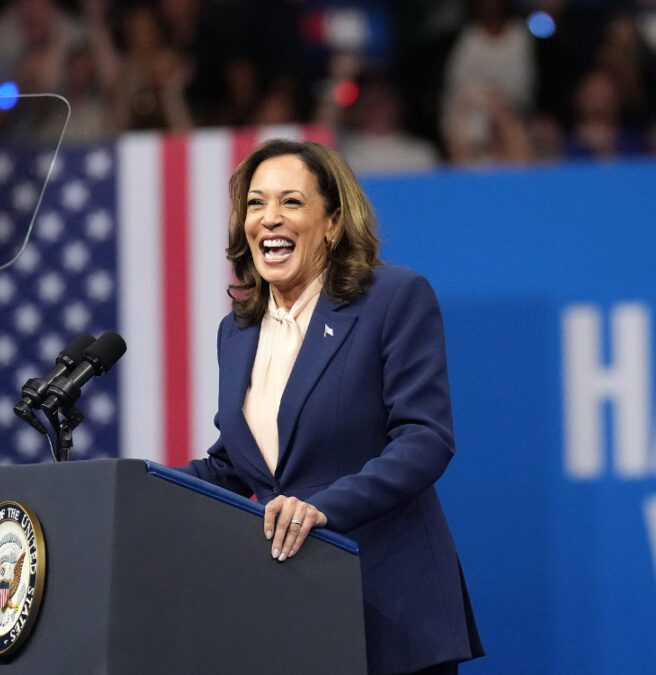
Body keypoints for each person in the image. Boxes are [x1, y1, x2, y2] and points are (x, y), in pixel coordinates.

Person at [181, 139, 482, 675]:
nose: (269, 218)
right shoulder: (237, 332)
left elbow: (425, 438)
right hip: (296, 613)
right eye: (255, 203)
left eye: (291, 202)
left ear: (334, 224)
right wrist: (138, 484)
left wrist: (325, 508)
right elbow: (237, 463)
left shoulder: (392, 298)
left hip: (390, 608)